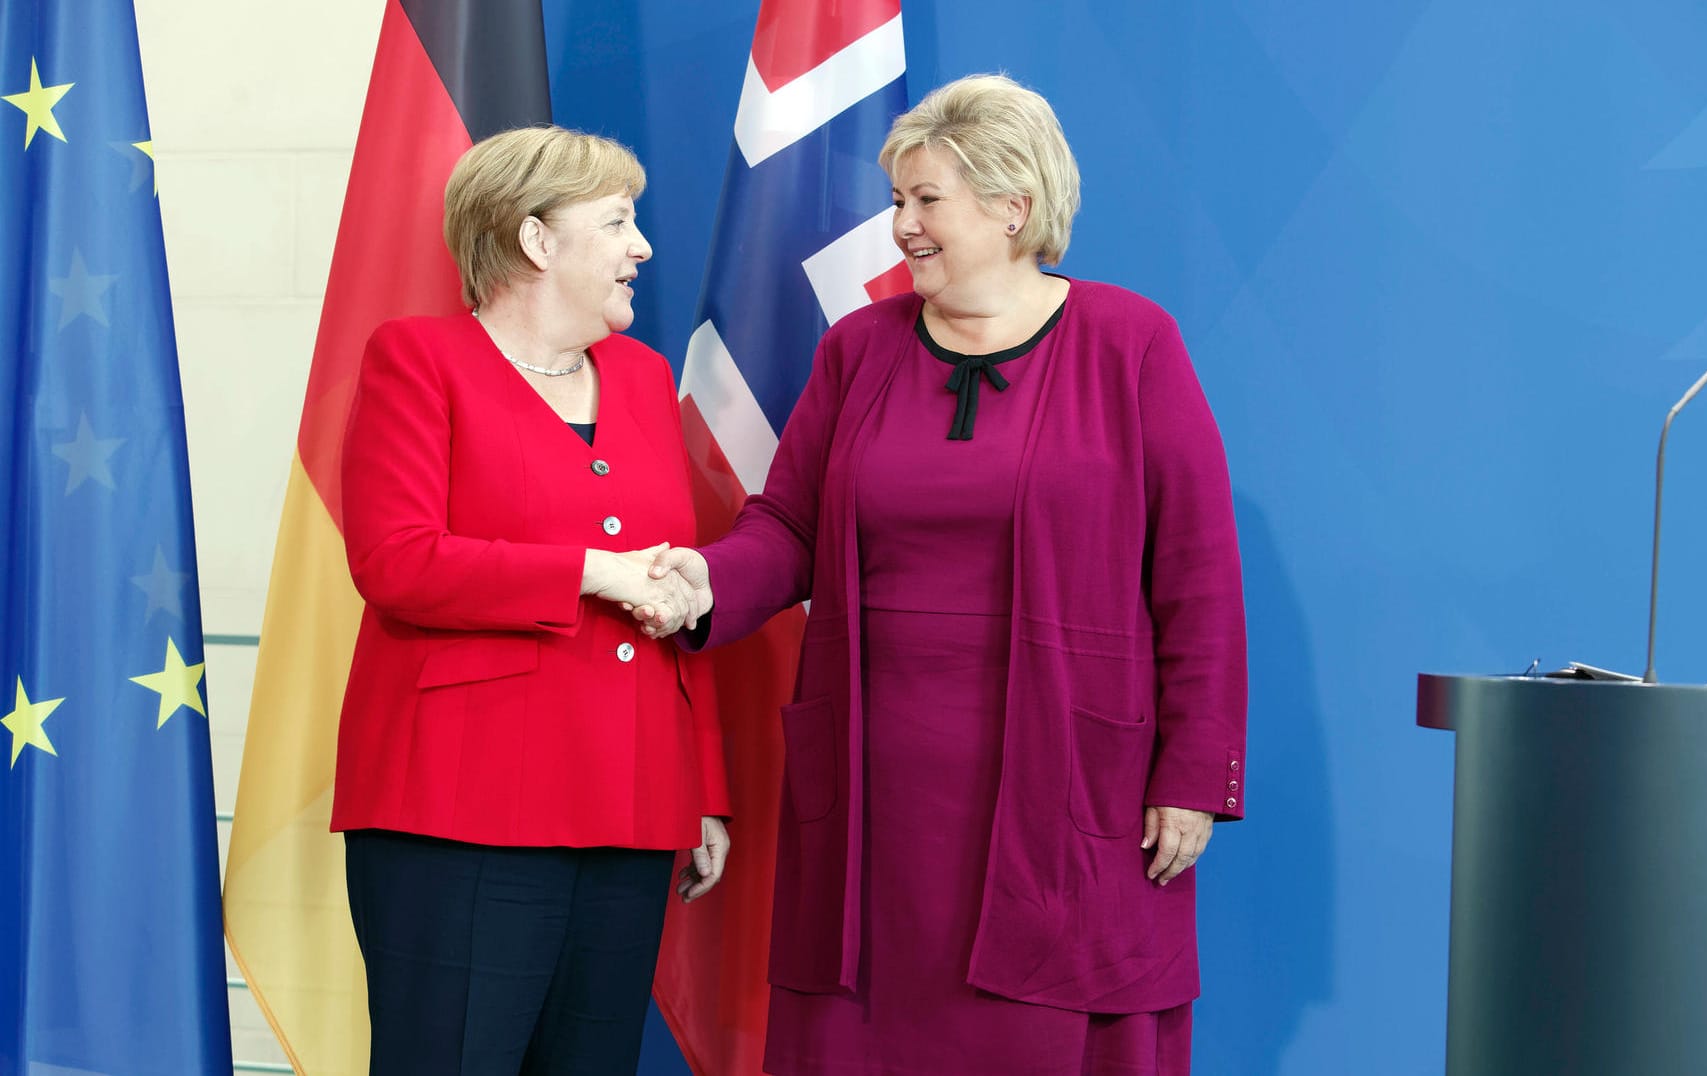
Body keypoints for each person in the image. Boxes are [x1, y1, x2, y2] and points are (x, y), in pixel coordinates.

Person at [645, 75, 1248, 1075]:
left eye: (924, 201)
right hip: (876, 786)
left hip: (1072, 782)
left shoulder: (1130, 343)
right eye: (896, 203)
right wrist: (703, 583)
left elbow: (1196, 575)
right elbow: (787, 523)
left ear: (1012, 207)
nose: (900, 227)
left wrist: (1192, 769)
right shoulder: (858, 350)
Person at [328, 125, 729, 1075]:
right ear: (536, 242)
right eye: (619, 224)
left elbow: (670, 582)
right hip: (460, 811)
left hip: (631, 804)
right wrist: (589, 568)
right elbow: (397, 560)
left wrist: (703, 787)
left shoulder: (639, 377)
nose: (642, 249)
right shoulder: (416, 359)